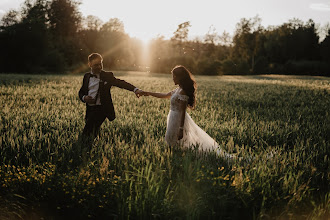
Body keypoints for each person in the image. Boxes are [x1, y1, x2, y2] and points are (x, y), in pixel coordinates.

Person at [141, 65, 235, 160]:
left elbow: (182, 111)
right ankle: (175, 158)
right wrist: (147, 93)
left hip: (178, 120)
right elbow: (165, 95)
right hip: (172, 118)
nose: (173, 78)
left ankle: (177, 159)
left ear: (180, 77)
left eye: (174, 76)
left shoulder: (183, 92)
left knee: (175, 140)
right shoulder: (178, 90)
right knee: (170, 139)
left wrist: (181, 128)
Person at [79, 53, 143, 138]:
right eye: (96, 65)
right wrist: (84, 98)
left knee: (86, 133)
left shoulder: (107, 76)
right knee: (92, 132)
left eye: (100, 64)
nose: (99, 67)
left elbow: (120, 83)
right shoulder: (86, 76)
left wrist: (135, 89)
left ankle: (83, 146)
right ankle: (93, 147)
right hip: (90, 109)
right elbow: (81, 92)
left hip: (102, 109)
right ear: (89, 64)